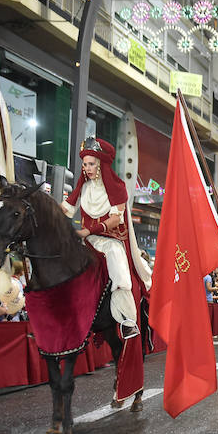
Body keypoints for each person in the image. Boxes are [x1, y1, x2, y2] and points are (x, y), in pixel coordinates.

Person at [62, 137, 152, 339]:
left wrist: (88, 231)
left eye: (91, 164)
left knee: (119, 268)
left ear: (101, 164)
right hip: (86, 241)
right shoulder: (82, 187)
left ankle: (127, 320)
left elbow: (114, 220)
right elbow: (65, 209)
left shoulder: (117, 187)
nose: (87, 168)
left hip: (111, 240)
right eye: (85, 164)